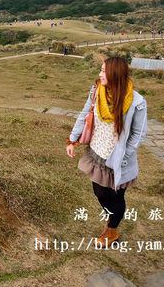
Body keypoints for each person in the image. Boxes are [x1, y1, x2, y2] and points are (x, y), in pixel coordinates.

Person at [65, 57, 148, 246]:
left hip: (118, 159)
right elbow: (84, 114)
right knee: (100, 192)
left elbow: (139, 134)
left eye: (103, 71)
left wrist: (124, 157)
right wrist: (72, 139)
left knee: (116, 196)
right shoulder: (96, 91)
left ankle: (112, 230)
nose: (99, 74)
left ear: (115, 75)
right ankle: (112, 220)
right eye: (101, 70)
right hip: (96, 153)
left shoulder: (137, 102)